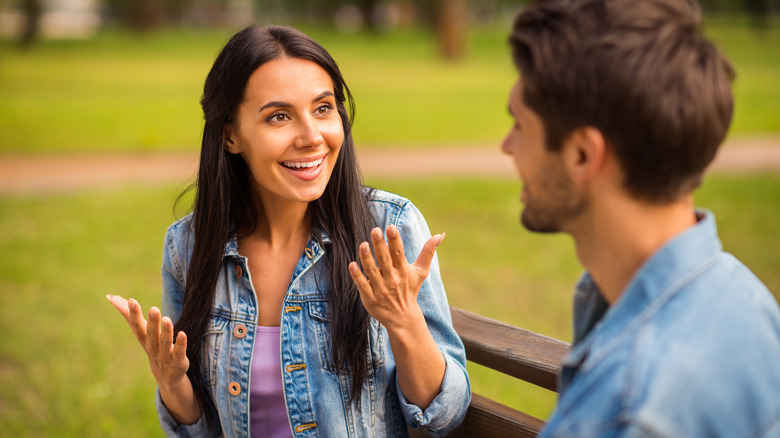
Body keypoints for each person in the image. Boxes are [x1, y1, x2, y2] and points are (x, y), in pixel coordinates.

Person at [107, 25, 469, 437]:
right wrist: (172, 382)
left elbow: (444, 413)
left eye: (323, 108)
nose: (312, 137)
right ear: (230, 135)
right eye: (279, 116)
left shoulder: (387, 229)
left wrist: (404, 322)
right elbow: (201, 430)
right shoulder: (189, 246)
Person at [502, 0, 780, 436]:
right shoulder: (746, 299)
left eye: (518, 124)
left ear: (581, 154)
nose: (506, 146)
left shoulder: (630, 409)